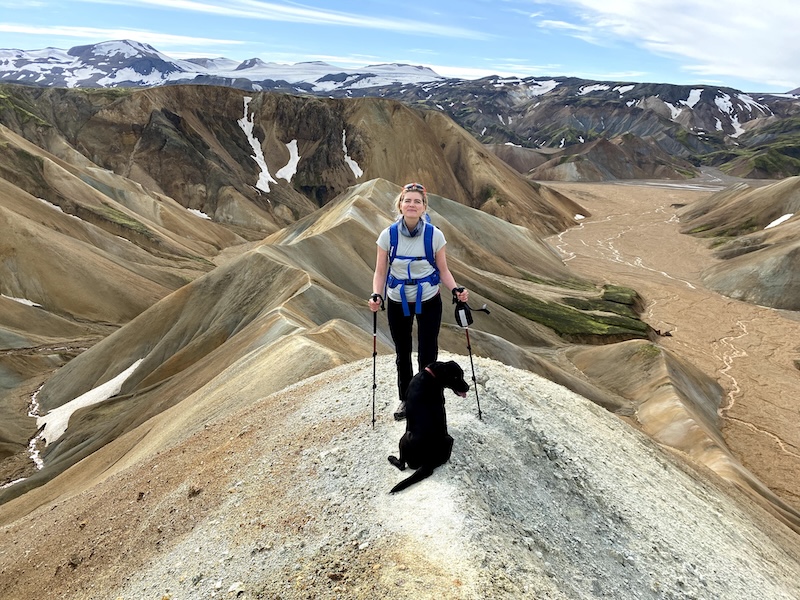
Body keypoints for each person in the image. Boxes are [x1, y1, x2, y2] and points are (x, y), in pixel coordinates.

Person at [368, 182, 469, 420]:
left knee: (427, 351)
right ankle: (406, 399)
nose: (412, 205)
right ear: (400, 205)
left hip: (429, 299)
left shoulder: (435, 235)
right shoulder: (388, 236)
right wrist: (377, 294)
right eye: (407, 201)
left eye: (417, 201)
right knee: (403, 353)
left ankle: (429, 395)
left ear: (424, 207)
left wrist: (455, 289)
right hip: (396, 300)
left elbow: (443, 269)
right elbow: (380, 271)